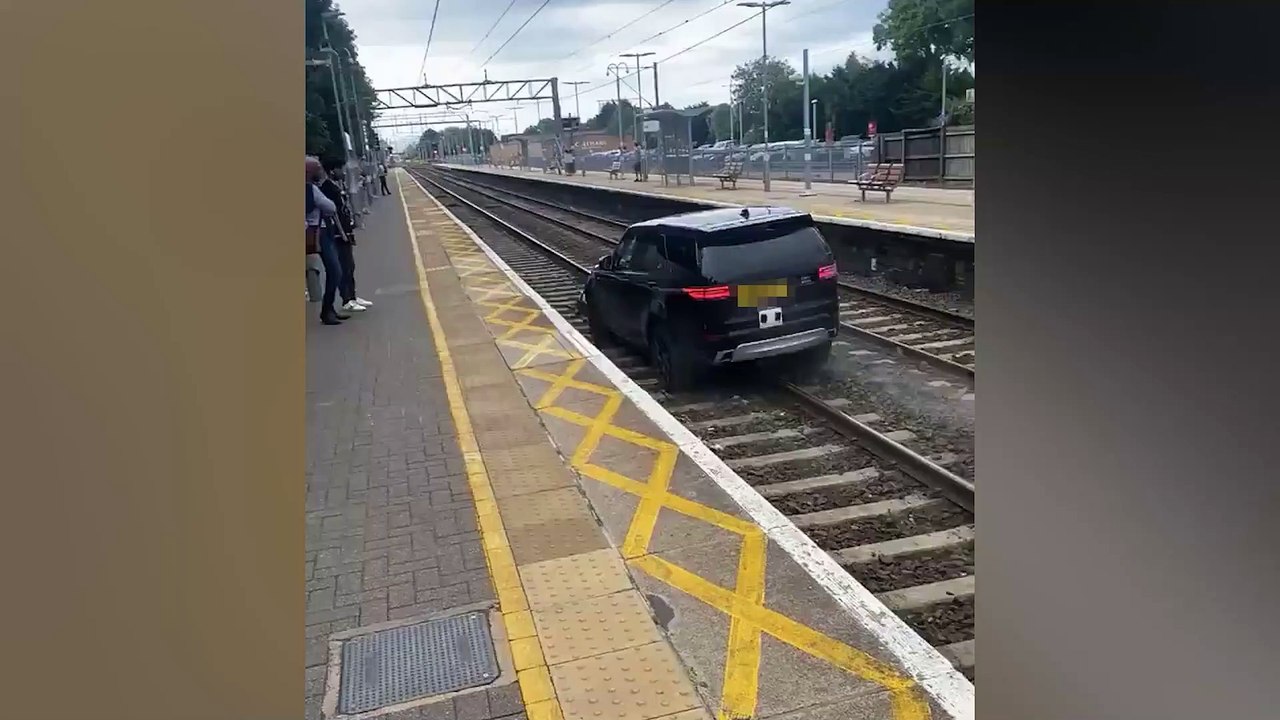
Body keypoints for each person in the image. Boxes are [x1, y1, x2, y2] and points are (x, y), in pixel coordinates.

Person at [320, 159, 373, 314]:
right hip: (337, 234)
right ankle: (346, 300)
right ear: (331, 171)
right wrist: (343, 233)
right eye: (340, 169)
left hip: (345, 232)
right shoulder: (327, 188)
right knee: (343, 266)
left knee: (350, 266)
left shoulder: (337, 185)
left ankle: (353, 296)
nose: (343, 172)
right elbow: (333, 213)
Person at [306, 156, 348, 325]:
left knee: (335, 271)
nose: (320, 171)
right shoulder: (310, 189)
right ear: (308, 171)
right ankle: (326, 311)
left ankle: (329, 310)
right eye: (317, 168)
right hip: (318, 233)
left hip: (320, 232)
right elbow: (330, 207)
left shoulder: (311, 188)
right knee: (335, 271)